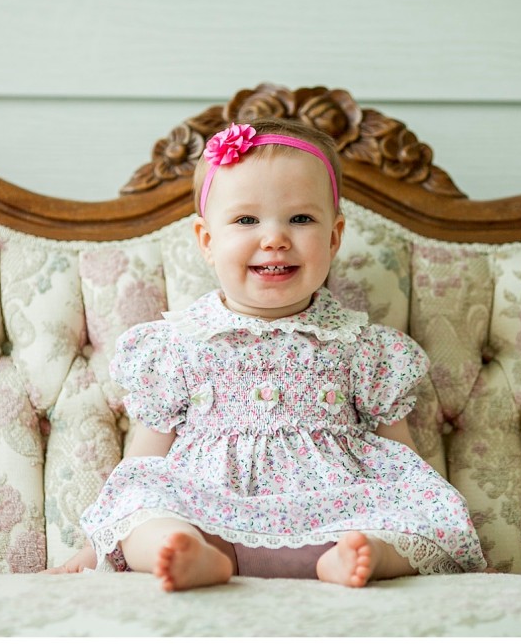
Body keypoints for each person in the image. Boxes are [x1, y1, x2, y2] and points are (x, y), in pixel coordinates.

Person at [47, 118, 487, 590]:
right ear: (207, 241)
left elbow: (403, 461)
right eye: (246, 220)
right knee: (146, 506)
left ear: (335, 237)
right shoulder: (177, 345)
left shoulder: (364, 347)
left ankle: (366, 555)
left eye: (301, 219)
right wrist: (99, 542)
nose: (274, 237)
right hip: (213, 517)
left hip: (331, 518)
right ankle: (185, 553)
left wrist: (407, 514)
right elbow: (142, 464)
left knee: (416, 513)